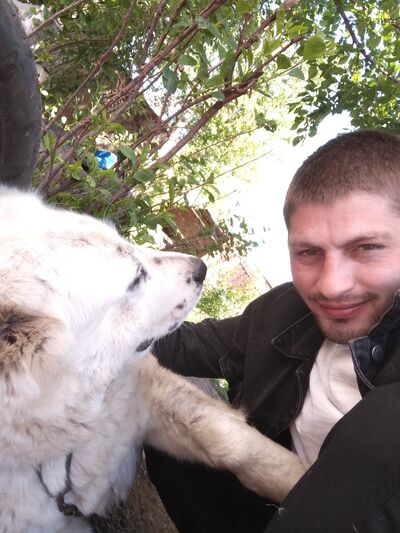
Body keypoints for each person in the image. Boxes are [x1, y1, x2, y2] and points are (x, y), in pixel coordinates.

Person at [147, 129, 400, 533]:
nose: (331, 286)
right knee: (170, 436)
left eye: (366, 248)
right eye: (309, 253)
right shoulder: (282, 312)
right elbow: (182, 345)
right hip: (260, 503)